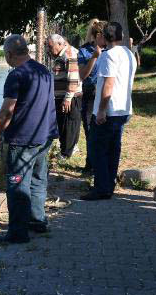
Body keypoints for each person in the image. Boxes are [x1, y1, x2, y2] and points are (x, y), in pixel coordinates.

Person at [0, 34, 58, 243]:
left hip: (23, 139)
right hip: (45, 135)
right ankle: (38, 221)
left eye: (5, 55)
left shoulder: (16, 75)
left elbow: (6, 112)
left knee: (17, 185)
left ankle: (18, 233)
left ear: (9, 54)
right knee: (38, 180)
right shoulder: (44, 71)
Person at [81, 22, 137, 201]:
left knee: (97, 149)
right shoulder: (128, 54)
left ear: (104, 37)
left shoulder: (108, 56)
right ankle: (108, 184)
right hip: (123, 108)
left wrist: (101, 111)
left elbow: (108, 84)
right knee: (113, 148)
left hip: (109, 111)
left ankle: (101, 187)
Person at [78, 20, 107, 172]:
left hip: (107, 92)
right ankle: (90, 164)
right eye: (105, 35)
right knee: (90, 129)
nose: (108, 38)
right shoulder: (84, 51)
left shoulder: (111, 49)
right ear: (97, 36)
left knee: (105, 130)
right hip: (90, 93)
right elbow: (82, 75)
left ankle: (102, 164)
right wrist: (94, 57)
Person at [47, 34, 83, 159]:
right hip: (62, 97)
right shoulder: (60, 55)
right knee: (64, 124)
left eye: (50, 46)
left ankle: (66, 153)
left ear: (60, 44)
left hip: (70, 98)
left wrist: (67, 98)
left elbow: (73, 78)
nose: (49, 49)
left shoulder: (69, 54)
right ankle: (68, 149)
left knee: (69, 125)